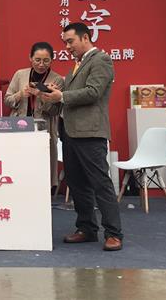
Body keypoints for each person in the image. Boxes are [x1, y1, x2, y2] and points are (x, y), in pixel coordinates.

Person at [40, 22, 123, 252]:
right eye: (65, 42)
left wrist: (61, 96)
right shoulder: (76, 66)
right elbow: (68, 98)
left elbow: (93, 92)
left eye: (70, 41)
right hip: (70, 132)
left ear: (85, 37)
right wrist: (52, 95)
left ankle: (114, 233)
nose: (67, 46)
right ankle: (86, 228)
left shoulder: (101, 60)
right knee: (77, 184)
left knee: (100, 183)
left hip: (90, 133)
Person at [4, 42, 64, 191]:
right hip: (20, 127)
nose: (41, 64)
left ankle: (43, 194)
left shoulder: (57, 80)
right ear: (30, 58)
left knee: (43, 166)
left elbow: (55, 110)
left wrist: (42, 95)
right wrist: (20, 94)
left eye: (46, 60)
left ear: (52, 60)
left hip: (44, 129)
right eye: (37, 60)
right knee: (19, 164)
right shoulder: (20, 74)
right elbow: (7, 100)